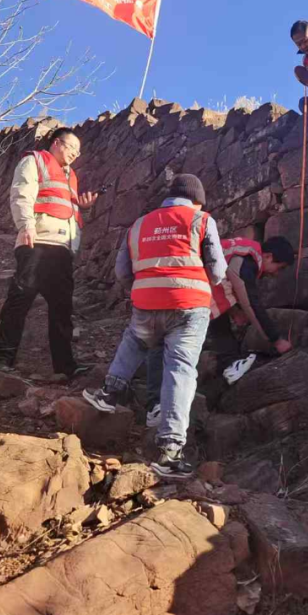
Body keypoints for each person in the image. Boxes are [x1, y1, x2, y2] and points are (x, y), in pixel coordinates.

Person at [83, 174, 227, 479]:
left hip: (146, 301)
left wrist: (145, 288)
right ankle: (170, 451)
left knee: (136, 340)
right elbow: (217, 271)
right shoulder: (201, 220)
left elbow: (122, 271)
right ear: (197, 200)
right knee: (180, 369)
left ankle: (109, 393)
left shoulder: (139, 224)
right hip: (188, 305)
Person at [144, 235, 297, 429]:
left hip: (186, 286)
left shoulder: (240, 252)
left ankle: (229, 363)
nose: (276, 274)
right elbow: (251, 303)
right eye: (279, 267)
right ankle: (156, 406)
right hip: (177, 289)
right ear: (268, 256)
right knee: (165, 344)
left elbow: (220, 286)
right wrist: (276, 340)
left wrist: (233, 311)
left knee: (215, 322)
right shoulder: (246, 261)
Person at [0, 127, 98, 380]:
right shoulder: (34, 161)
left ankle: (65, 366)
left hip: (62, 249)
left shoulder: (70, 176)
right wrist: (25, 225)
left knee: (62, 309)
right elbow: (21, 193)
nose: (75, 154)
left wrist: (84, 209)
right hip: (38, 242)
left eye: (78, 152)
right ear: (56, 143)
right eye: (72, 147)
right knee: (20, 300)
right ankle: (1, 358)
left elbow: (66, 211)